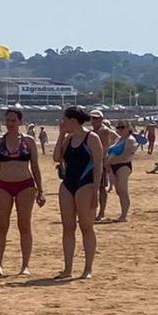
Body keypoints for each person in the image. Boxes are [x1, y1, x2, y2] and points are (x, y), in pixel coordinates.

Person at [0, 109, 45, 277]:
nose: (10, 124)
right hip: (2, 185)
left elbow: (35, 167)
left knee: (24, 225)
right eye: (7, 120)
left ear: (20, 122)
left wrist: (41, 190)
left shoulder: (28, 141)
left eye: (13, 120)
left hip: (25, 185)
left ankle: (25, 266)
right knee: (2, 225)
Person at [52, 106, 104, 279]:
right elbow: (57, 158)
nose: (62, 122)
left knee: (86, 226)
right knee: (68, 227)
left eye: (65, 120)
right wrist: (60, 135)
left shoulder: (92, 138)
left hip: (86, 184)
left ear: (73, 120)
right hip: (68, 184)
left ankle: (88, 268)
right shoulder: (68, 139)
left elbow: (98, 166)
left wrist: (96, 189)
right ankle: (67, 268)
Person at [89, 110, 118, 222]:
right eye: (93, 118)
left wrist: (103, 160)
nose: (94, 120)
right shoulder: (93, 131)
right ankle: (94, 212)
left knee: (101, 188)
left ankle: (101, 213)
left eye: (96, 118)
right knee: (92, 187)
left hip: (99, 162)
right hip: (92, 163)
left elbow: (105, 147)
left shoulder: (103, 130)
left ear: (101, 119)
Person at [106, 121, 138, 222]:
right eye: (118, 127)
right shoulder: (118, 139)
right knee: (119, 191)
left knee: (123, 190)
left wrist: (110, 161)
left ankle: (124, 215)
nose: (120, 129)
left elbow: (126, 155)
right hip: (113, 166)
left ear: (128, 128)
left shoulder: (130, 140)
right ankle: (122, 213)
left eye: (122, 127)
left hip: (123, 166)